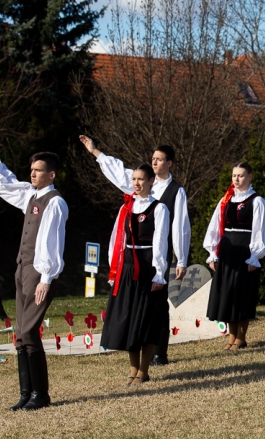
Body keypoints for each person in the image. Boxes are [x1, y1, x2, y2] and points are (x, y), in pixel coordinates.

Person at [0, 127, 68, 411]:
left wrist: (46, 279)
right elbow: (4, 183)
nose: (33, 174)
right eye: (32, 170)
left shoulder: (55, 202)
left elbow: (52, 243)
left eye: (39, 171)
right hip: (22, 269)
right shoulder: (30, 194)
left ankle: (41, 394)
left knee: (28, 332)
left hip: (40, 273)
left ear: (51, 174)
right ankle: (26, 393)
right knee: (20, 335)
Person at [79, 136, 190, 366]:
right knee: (136, 302)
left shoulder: (176, 191)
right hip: (134, 254)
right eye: (153, 159)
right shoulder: (141, 184)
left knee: (158, 303)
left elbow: (181, 226)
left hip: (159, 251)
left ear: (169, 163)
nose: (156, 162)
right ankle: (136, 346)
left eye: (160, 159)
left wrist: (181, 259)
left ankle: (159, 351)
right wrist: (95, 151)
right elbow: (118, 172)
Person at [100, 164, 170, 386]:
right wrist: (115, 270)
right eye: (134, 179)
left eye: (141, 179)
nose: (136, 184)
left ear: (151, 181)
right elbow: (116, 241)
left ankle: (144, 370)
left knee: (146, 320)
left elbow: (160, 243)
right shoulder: (125, 209)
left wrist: (159, 274)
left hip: (148, 267)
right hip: (128, 268)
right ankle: (133, 370)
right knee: (129, 320)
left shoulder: (159, 209)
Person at [203, 162, 265, 351]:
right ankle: (231, 337)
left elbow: (258, 230)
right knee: (228, 294)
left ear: (250, 177)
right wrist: (213, 254)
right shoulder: (225, 200)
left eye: (240, 175)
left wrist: (254, 257)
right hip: (227, 252)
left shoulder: (257, 201)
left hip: (245, 252)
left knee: (242, 294)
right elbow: (215, 228)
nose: (236, 179)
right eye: (234, 176)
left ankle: (241, 337)